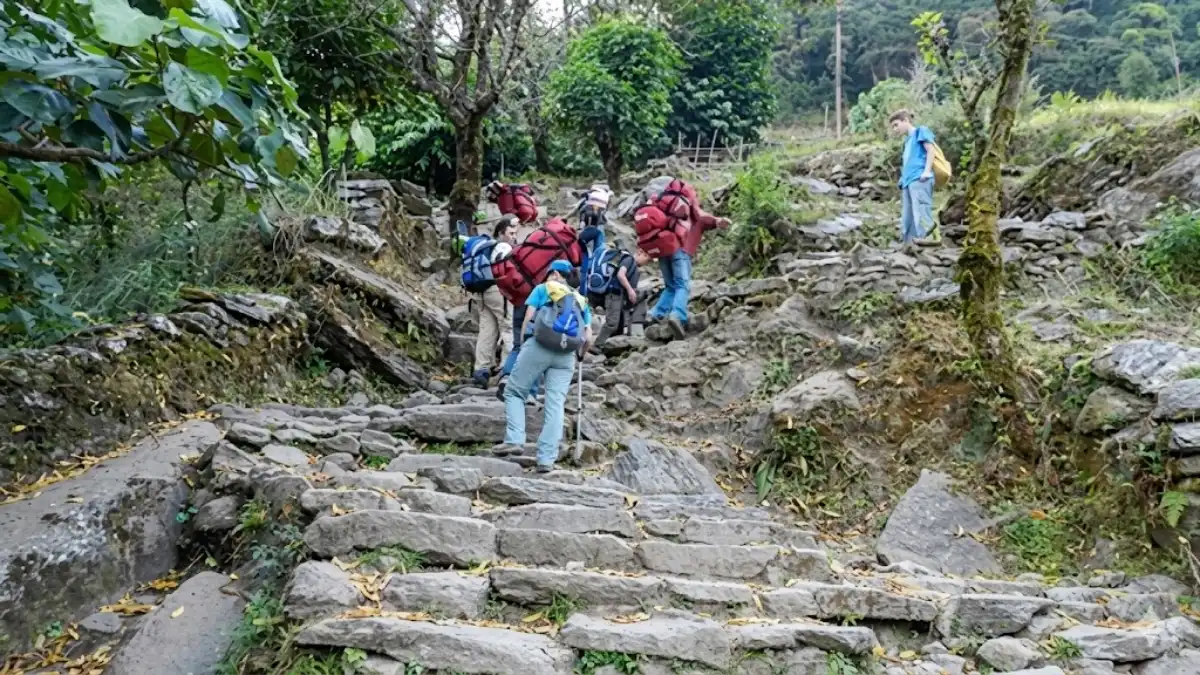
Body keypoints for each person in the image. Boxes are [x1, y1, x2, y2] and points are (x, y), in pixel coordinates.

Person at [503, 260, 592, 472]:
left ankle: (515, 439)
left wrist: (524, 341)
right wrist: (580, 355)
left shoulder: (543, 288)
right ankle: (546, 459)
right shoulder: (580, 299)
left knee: (515, 391)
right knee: (555, 404)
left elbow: (529, 317)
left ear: (552, 273)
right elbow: (588, 336)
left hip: (538, 346)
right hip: (566, 355)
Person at [638, 178, 729, 340]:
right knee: (683, 285)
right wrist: (717, 221)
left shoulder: (668, 210)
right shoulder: (691, 212)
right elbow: (704, 218)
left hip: (664, 249)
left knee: (670, 286)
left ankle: (655, 314)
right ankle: (678, 315)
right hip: (681, 250)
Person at [462, 217, 518, 386]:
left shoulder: (483, 246)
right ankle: (507, 369)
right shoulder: (503, 247)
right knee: (507, 326)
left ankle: (481, 369)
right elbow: (509, 270)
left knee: (487, 329)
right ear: (501, 232)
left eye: (515, 233)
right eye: (511, 232)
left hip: (479, 291)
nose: (514, 236)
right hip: (496, 290)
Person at [889, 109, 937, 247]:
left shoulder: (920, 131)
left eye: (896, 125)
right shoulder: (907, 141)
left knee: (921, 211)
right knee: (907, 216)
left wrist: (926, 171)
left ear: (906, 120)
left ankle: (927, 242)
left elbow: (930, 149)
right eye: (893, 126)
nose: (895, 129)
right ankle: (909, 245)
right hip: (908, 181)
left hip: (920, 178)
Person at [585, 245, 647, 347]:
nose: (646, 262)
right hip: (614, 294)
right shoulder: (629, 259)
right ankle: (597, 345)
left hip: (618, 295)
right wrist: (630, 290)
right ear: (640, 252)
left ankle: (612, 344)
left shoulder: (632, 264)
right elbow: (620, 275)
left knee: (619, 324)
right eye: (647, 258)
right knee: (612, 323)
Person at [577, 184, 611, 296]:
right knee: (593, 253)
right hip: (591, 230)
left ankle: (594, 272)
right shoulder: (588, 206)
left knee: (596, 252)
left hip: (594, 229)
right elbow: (583, 217)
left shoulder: (594, 205)